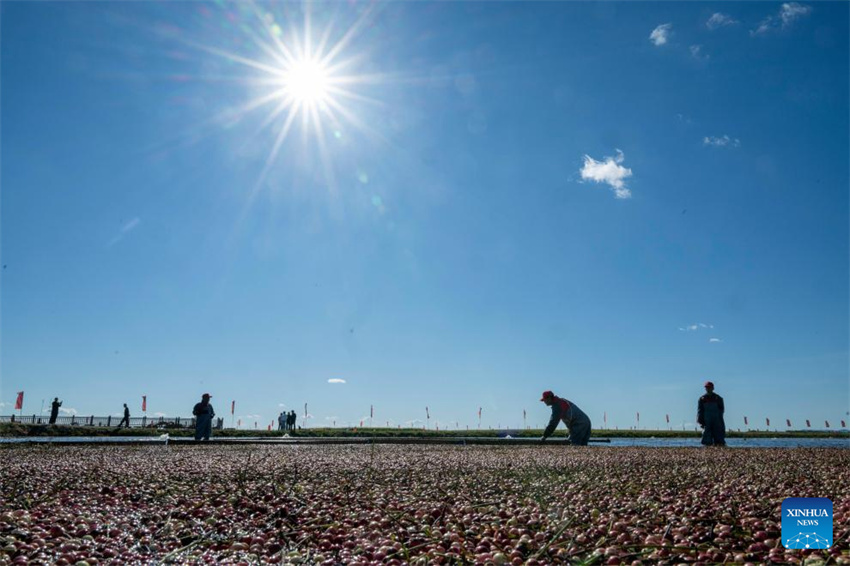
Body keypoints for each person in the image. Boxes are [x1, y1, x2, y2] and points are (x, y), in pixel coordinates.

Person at [697, 381, 726, 446]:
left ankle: (719, 446)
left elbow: (722, 410)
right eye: (706, 387)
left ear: (713, 388)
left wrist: (720, 419)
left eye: (709, 387)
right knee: (706, 437)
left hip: (717, 420)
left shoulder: (718, 398)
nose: (708, 389)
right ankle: (707, 447)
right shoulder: (702, 399)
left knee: (719, 436)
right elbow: (700, 411)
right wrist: (700, 421)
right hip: (706, 420)